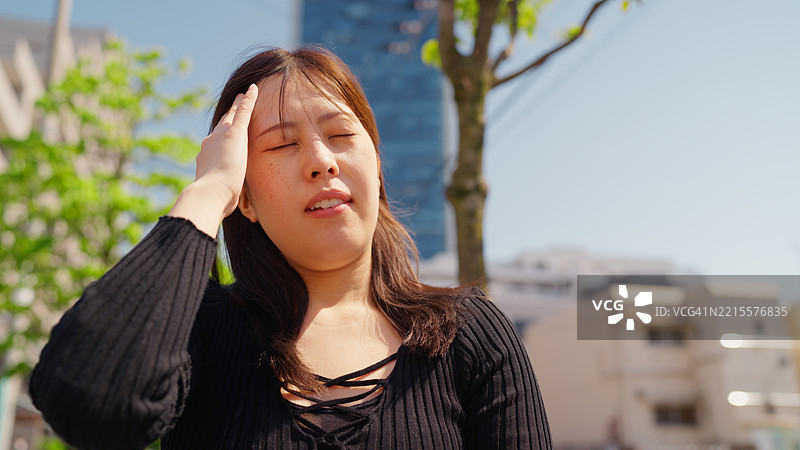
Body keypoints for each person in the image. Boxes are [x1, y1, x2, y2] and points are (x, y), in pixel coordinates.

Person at [29, 47, 551, 450]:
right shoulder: (202, 329)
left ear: (375, 164)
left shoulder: (471, 334)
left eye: (342, 135)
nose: (322, 160)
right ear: (247, 197)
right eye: (282, 144)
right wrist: (208, 193)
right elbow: (89, 400)